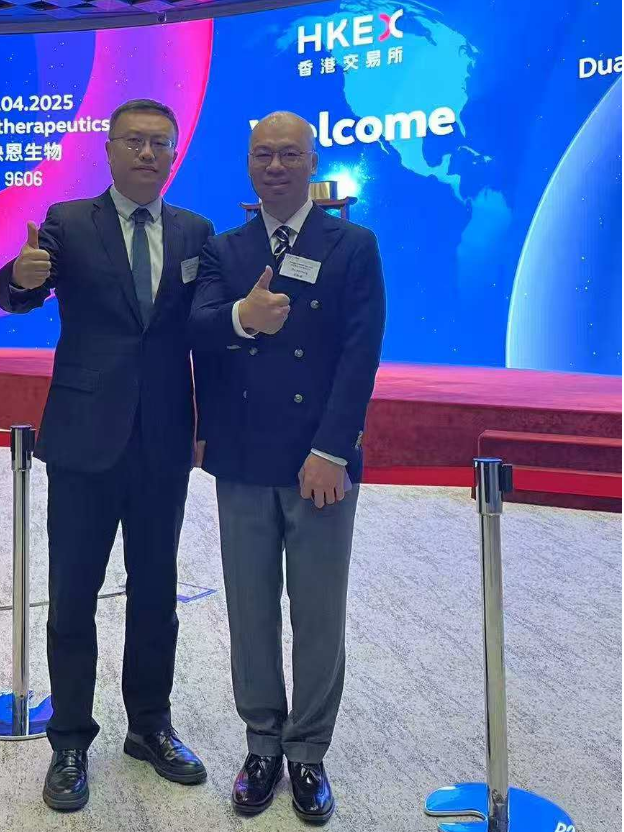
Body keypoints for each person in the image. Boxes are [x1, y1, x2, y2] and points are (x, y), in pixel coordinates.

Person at [0, 98, 214, 812]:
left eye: (160, 143)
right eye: (135, 141)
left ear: (173, 154)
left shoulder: (195, 232)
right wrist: (20, 278)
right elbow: (15, 293)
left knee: (156, 594)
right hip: (84, 439)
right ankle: (69, 741)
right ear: (110, 149)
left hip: (162, 442)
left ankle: (149, 726)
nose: (148, 153)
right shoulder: (68, 222)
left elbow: (208, 330)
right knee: (73, 597)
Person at [190, 111, 385, 824]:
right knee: (250, 610)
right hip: (243, 457)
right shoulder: (225, 248)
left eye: (290, 155)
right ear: (248, 162)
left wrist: (331, 451)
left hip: (318, 461)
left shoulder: (352, 244)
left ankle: (307, 751)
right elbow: (198, 331)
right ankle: (261, 746)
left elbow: (360, 354)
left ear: (312, 162)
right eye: (263, 155)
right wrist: (243, 317)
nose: (276, 166)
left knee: (318, 611)